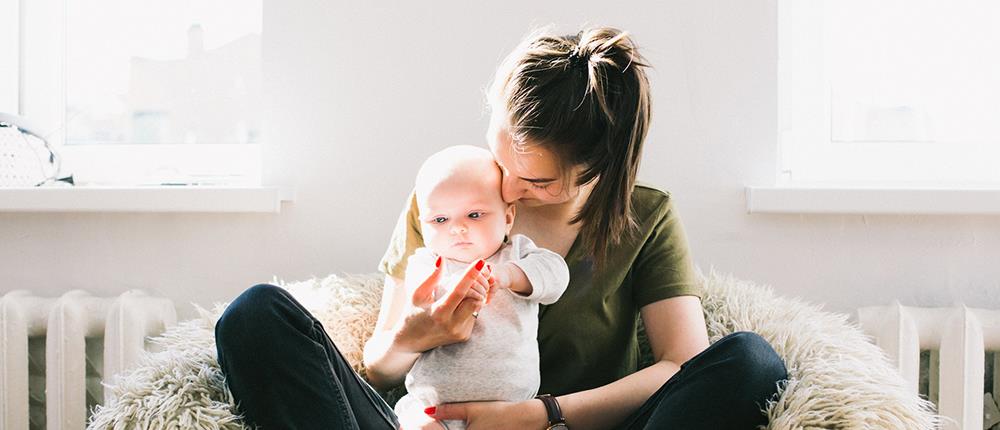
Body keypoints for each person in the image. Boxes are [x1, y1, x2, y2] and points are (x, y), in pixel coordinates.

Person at [215, 26, 787, 430]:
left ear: (598, 169)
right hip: (433, 425)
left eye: (535, 181)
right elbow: (379, 366)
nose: (506, 189)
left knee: (752, 363)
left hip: (568, 428)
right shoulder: (449, 200)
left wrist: (540, 416)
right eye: (499, 158)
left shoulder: (647, 217)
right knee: (255, 316)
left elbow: (678, 366)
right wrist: (415, 337)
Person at [393, 145, 569, 430]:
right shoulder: (426, 263)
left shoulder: (517, 254)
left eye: (474, 215)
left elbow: (557, 276)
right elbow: (419, 302)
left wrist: (509, 276)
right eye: (440, 219)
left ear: (508, 217)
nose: (457, 228)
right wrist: (438, 296)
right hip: (432, 408)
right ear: (422, 225)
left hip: (511, 413)